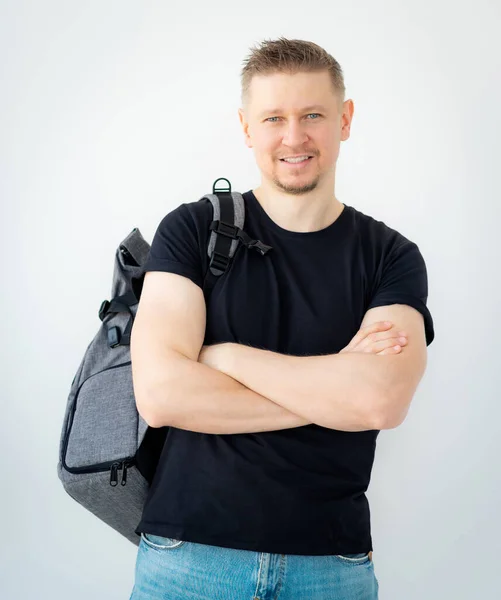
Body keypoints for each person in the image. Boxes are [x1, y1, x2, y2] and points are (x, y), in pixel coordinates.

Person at [128, 36, 435, 600]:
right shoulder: (193, 230)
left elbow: (379, 402)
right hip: (189, 560)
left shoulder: (391, 256)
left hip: (331, 567)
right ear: (247, 128)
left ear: (344, 120)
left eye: (312, 114)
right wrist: (331, 391)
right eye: (274, 118)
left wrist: (225, 357)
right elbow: (163, 395)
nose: (294, 137)